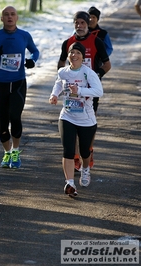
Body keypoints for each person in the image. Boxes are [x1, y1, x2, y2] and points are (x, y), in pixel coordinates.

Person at [0, 5, 39, 169]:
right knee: (3, 120)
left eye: (12, 14)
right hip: (0, 83)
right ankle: (7, 153)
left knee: (15, 116)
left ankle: (16, 151)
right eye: (6, 15)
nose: (9, 17)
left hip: (18, 82)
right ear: (1, 18)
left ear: (17, 17)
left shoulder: (24, 36)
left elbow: (35, 51)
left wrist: (32, 61)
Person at [58, 11, 111, 171]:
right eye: (77, 23)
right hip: (72, 92)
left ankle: (87, 150)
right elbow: (60, 64)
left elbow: (107, 65)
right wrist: (63, 80)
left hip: (89, 92)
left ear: (88, 24)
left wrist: (95, 76)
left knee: (88, 122)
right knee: (70, 120)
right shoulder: (68, 42)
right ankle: (74, 156)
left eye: (83, 23)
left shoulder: (96, 41)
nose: (79, 26)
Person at [50, 42, 103, 197]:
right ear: (68, 55)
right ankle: (70, 183)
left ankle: (85, 169)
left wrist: (79, 90)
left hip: (86, 119)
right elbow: (58, 84)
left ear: (82, 56)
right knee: (68, 150)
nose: (74, 55)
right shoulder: (63, 72)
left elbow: (99, 91)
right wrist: (54, 95)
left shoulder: (88, 73)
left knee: (85, 151)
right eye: (72, 52)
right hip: (67, 116)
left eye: (78, 53)